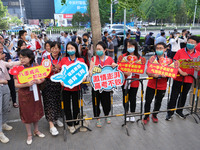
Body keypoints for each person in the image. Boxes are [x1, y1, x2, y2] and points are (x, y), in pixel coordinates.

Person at [14, 49, 45, 145]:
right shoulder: (18, 68)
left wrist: (40, 81)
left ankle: (36, 130)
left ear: (30, 58)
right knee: (26, 114)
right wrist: (26, 84)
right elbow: (16, 84)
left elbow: (43, 77)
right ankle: (29, 134)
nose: (21, 59)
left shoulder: (36, 66)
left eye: (24, 57)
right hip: (24, 95)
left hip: (35, 93)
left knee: (36, 111)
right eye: (20, 57)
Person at [166, 36, 200, 121]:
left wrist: (198, 68)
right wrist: (180, 72)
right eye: (189, 42)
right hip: (178, 77)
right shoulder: (180, 51)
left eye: (192, 42)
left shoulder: (198, 54)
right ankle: (170, 113)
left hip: (189, 78)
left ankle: (179, 111)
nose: (190, 44)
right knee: (174, 95)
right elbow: (174, 62)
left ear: (196, 44)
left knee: (184, 95)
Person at [89, 41, 117, 128]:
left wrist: (115, 66)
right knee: (96, 102)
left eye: (99, 49)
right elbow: (90, 71)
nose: (98, 51)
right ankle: (97, 118)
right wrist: (92, 71)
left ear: (105, 50)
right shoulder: (93, 59)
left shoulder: (109, 59)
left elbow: (114, 68)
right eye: (96, 49)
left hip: (106, 85)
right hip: (96, 85)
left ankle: (107, 115)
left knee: (106, 101)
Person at [143, 42, 171, 124]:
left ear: (165, 49)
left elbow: (172, 72)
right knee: (148, 101)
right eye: (157, 48)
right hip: (151, 84)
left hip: (162, 85)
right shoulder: (152, 59)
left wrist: (166, 75)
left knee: (158, 101)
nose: (159, 50)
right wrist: (152, 74)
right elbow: (147, 71)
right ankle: (146, 115)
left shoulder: (169, 61)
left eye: (161, 48)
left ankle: (154, 115)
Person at [60, 41, 85, 133]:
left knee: (76, 105)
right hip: (66, 88)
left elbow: (83, 73)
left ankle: (77, 122)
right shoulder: (63, 60)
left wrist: (84, 77)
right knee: (67, 106)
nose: (70, 50)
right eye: (68, 48)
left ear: (76, 49)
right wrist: (62, 80)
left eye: (72, 48)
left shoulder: (81, 60)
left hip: (76, 88)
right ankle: (70, 124)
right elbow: (62, 73)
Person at [0, 45, 21, 144]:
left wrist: (22, 61)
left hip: (5, 87)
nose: (2, 53)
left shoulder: (2, 62)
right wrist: (2, 81)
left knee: (5, 107)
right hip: (2, 85)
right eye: (1, 52)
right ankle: (0, 133)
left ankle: (3, 123)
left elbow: (12, 63)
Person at [42, 42, 63, 136]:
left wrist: (59, 69)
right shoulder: (45, 59)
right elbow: (42, 71)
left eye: (57, 48)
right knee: (49, 103)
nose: (55, 50)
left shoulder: (62, 59)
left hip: (59, 83)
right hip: (48, 83)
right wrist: (51, 69)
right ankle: (51, 124)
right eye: (52, 48)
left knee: (58, 101)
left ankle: (56, 118)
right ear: (49, 49)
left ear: (59, 49)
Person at [121, 39, 140, 122]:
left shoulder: (139, 58)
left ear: (135, 47)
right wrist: (125, 72)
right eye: (128, 46)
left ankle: (132, 114)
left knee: (133, 98)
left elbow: (141, 69)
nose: (130, 47)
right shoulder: (123, 57)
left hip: (134, 82)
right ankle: (127, 113)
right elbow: (119, 68)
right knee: (125, 98)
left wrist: (135, 66)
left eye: (132, 46)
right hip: (125, 81)